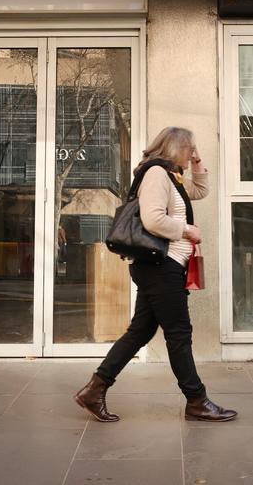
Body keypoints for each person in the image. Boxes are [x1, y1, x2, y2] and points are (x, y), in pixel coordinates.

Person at [74, 126, 237, 423]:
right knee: (178, 333)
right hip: (160, 267)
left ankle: (93, 390)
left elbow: (199, 190)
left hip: (161, 267)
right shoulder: (155, 175)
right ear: (177, 148)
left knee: (141, 331)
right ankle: (197, 400)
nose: (191, 156)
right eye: (190, 150)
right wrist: (187, 230)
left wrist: (199, 164)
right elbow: (152, 220)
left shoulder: (170, 178)